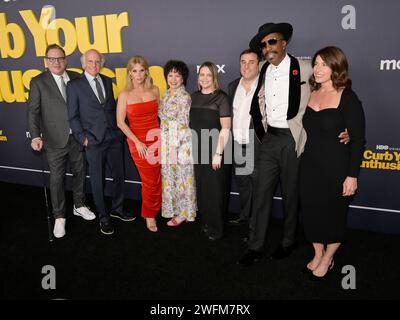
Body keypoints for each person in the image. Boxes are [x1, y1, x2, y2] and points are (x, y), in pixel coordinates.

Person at [238, 22, 349, 264]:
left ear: (284, 42)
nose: (268, 47)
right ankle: (255, 246)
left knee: (291, 195)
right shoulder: (263, 70)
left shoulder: (307, 67)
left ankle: (288, 241)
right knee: (261, 194)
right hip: (269, 140)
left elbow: (335, 89)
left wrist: (347, 125)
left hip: (294, 140)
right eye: (264, 44)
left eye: (272, 41)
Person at [299, 46, 365, 279]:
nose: (318, 69)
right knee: (312, 211)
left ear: (336, 67)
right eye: (316, 64)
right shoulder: (311, 92)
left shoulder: (347, 97)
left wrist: (352, 175)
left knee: (334, 214)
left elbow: (358, 140)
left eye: (324, 65)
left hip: (337, 167)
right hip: (309, 165)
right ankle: (318, 252)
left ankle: (329, 257)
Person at [27, 44, 95, 239]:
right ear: (46, 62)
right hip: (54, 139)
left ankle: (79, 205)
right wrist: (35, 136)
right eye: (52, 59)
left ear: (65, 60)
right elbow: (33, 111)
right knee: (57, 179)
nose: (56, 62)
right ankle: (59, 217)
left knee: (80, 173)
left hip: (78, 137)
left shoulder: (76, 77)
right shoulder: (38, 82)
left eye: (60, 58)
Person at [67, 49, 134, 236]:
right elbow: (72, 116)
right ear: (83, 64)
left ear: (101, 63)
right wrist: (83, 138)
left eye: (97, 61)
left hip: (113, 137)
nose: (94, 65)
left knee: (119, 176)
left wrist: (119, 131)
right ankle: (104, 217)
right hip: (93, 141)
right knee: (97, 181)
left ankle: (117, 209)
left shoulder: (106, 81)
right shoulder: (74, 85)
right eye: (90, 61)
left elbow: (110, 109)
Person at [116, 55, 161, 232]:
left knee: (157, 178)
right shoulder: (124, 94)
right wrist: (138, 142)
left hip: (157, 138)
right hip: (138, 141)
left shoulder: (155, 90)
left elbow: (161, 115)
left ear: (146, 72)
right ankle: (149, 215)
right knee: (149, 180)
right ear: (130, 74)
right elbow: (120, 122)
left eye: (142, 70)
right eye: (135, 71)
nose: (139, 74)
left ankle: (157, 208)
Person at [190, 61, 231, 241]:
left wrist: (218, 153)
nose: (205, 78)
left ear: (215, 77)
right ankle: (206, 223)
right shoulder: (194, 97)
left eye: (209, 75)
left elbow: (226, 128)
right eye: (202, 75)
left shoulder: (221, 98)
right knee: (203, 190)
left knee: (215, 192)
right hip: (198, 150)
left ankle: (217, 229)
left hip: (216, 151)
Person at [228, 48, 264, 227]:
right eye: (243, 62)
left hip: (257, 146)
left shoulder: (266, 86)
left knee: (258, 189)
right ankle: (245, 217)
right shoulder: (233, 86)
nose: (246, 66)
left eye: (251, 62)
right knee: (243, 187)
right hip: (237, 145)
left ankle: (256, 226)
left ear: (259, 64)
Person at [158, 60, 197, 226]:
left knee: (183, 178)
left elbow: (182, 124)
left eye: (177, 75)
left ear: (183, 78)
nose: (173, 79)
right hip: (167, 143)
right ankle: (173, 208)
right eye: (170, 75)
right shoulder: (167, 94)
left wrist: (173, 148)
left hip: (180, 145)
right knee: (170, 177)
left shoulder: (184, 96)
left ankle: (185, 213)